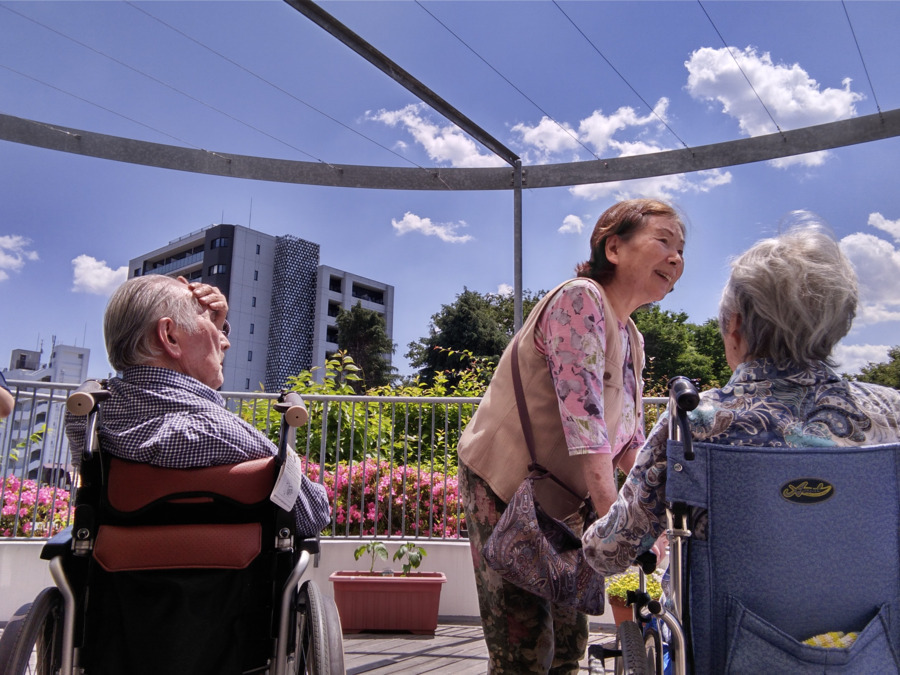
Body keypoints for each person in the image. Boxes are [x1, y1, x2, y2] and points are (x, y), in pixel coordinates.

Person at [582, 216, 900, 576]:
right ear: (839, 323)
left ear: (734, 325)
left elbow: (606, 553)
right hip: (872, 613)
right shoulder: (891, 412)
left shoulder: (695, 422)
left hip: (723, 614)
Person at [457, 198, 686, 674]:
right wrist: (620, 523)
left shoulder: (632, 337)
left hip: (561, 503)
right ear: (613, 248)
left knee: (568, 645)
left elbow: (629, 443)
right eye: (664, 241)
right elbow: (586, 425)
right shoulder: (579, 300)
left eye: (681, 249)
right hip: (505, 488)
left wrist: (658, 514)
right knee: (524, 650)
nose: (676, 257)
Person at [65, 274, 330, 538]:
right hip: (228, 564)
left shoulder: (88, 422)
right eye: (210, 322)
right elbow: (312, 513)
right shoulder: (217, 431)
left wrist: (210, 326)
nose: (225, 341)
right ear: (170, 337)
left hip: (115, 563)